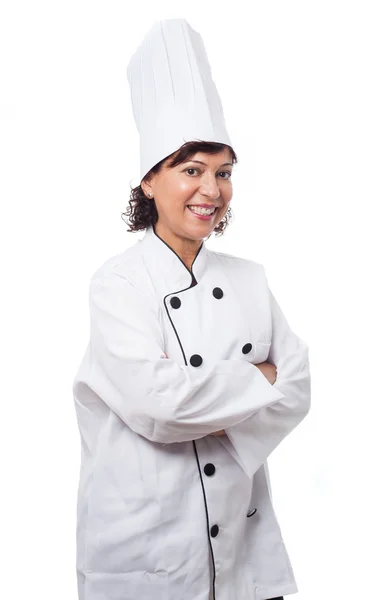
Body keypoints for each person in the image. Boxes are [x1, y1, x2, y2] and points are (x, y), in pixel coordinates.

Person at [73, 18, 311, 600]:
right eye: (192, 170)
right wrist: (259, 378)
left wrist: (206, 405)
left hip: (246, 557)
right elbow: (160, 407)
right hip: (144, 558)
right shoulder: (118, 285)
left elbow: (299, 384)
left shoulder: (249, 280)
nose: (212, 191)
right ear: (149, 181)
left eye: (223, 173)